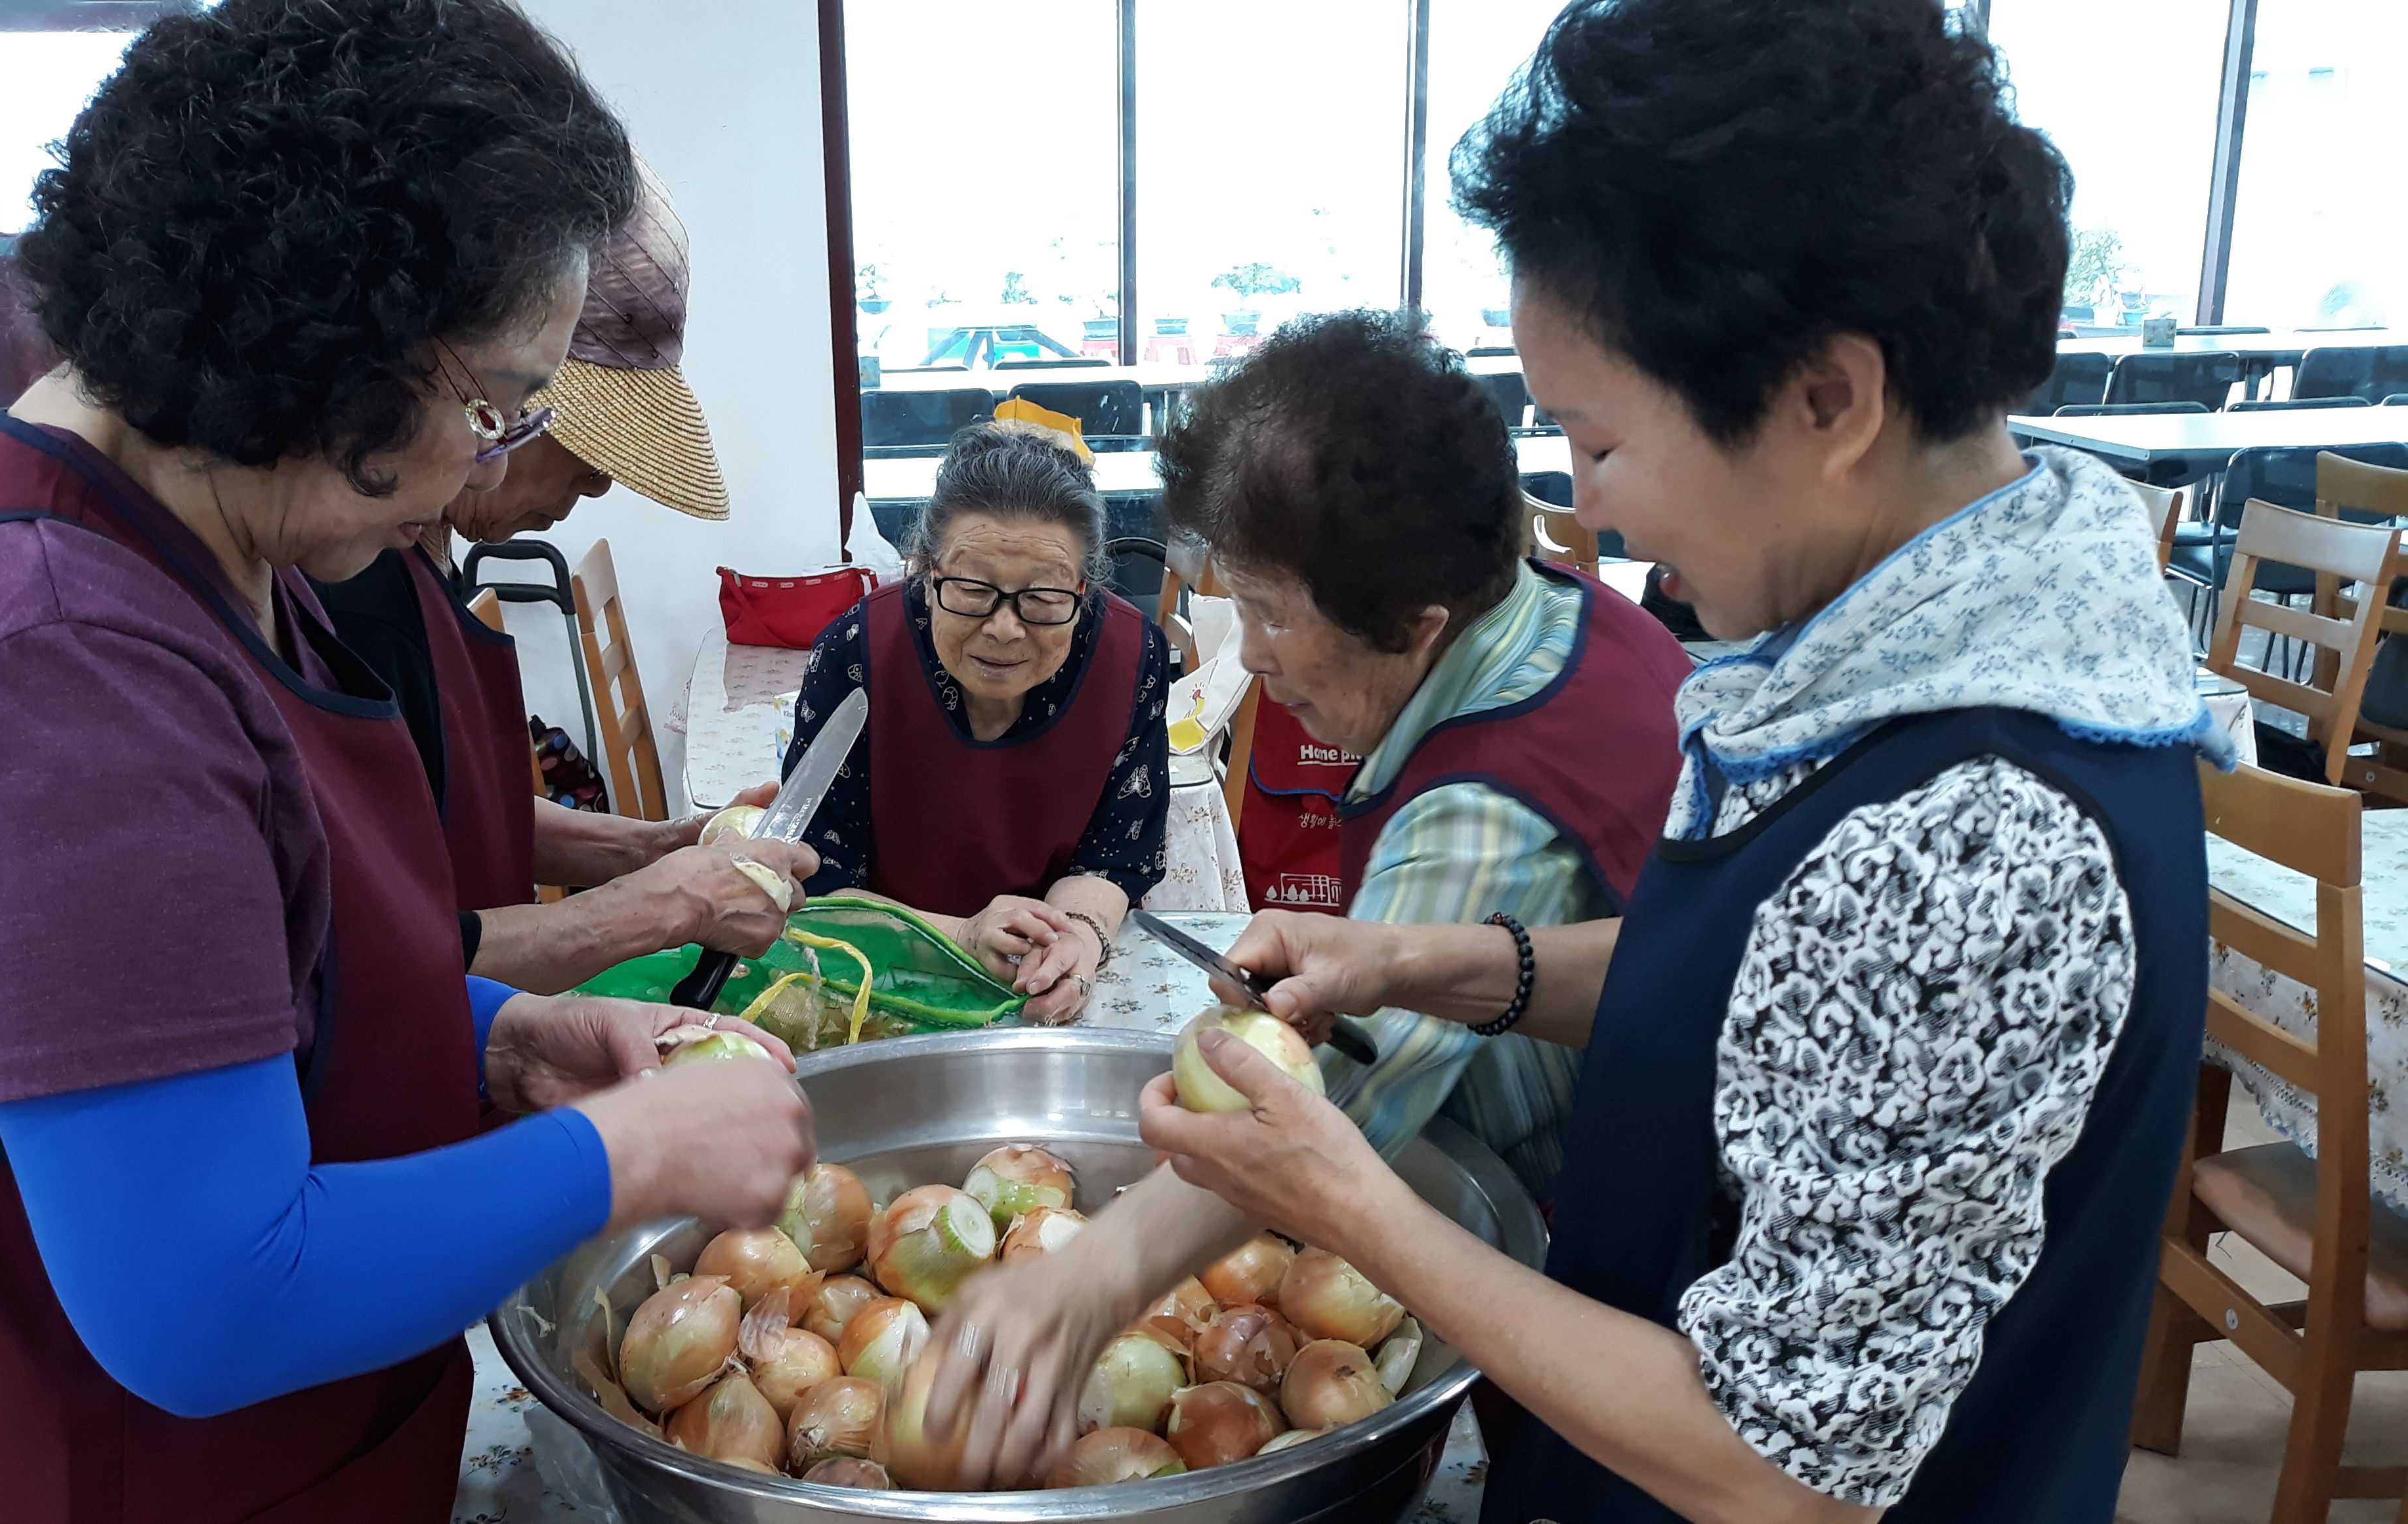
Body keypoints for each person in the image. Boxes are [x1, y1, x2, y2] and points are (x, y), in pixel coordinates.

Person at [1126, 3, 2229, 1521]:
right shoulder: (1905, 648)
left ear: (1823, 400)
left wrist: (1343, 1202)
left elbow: (1777, 1466)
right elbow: (1784, 984)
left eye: (1596, 439)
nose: (1589, 506)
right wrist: (1422, 959)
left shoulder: (1980, 824)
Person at [0, 6, 813, 1521]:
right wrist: (621, 1154)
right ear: (343, 344)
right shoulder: (50, 663)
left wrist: (494, 1037)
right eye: (497, 401)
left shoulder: (222, 546)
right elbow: (208, 1299)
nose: (486, 460)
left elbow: (229, 996)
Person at [1154, 310, 1687, 1197]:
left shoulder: (1479, 812)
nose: (1247, 654)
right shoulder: (1539, 606)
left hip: (1586, 1223)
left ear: (1414, 624)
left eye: (1270, 612)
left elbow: (1327, 1131)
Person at [315, 154, 813, 995]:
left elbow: (452, 813)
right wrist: (661, 906)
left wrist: (659, 846)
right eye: (571, 442)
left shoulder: (425, 549)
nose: (600, 481)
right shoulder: (348, 587)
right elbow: (371, 957)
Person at [782, 421, 1170, 1023]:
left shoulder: (1131, 655)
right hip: (881, 975)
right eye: (970, 589)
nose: (1005, 629)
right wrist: (962, 937)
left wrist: (1077, 943)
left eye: (1042, 598)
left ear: (1083, 588)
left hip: (1043, 988)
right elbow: (817, 879)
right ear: (926, 572)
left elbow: (1114, 857)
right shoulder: (857, 653)